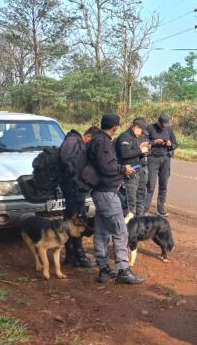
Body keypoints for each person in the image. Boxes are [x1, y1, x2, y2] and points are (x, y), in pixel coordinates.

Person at [88, 113, 146, 285]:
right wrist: (123, 170)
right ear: (115, 127)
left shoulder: (95, 139)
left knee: (102, 231)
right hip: (107, 192)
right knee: (120, 231)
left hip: (98, 191)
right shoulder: (104, 141)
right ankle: (123, 270)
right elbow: (107, 167)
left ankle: (104, 269)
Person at [59, 126, 99, 267]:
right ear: (87, 137)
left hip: (73, 188)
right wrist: (81, 177)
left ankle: (71, 255)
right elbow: (68, 164)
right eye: (92, 142)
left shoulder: (73, 141)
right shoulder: (73, 142)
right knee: (77, 221)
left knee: (71, 220)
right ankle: (79, 256)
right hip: (74, 189)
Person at [115, 118, 151, 217]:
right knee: (130, 201)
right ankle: (129, 225)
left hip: (139, 170)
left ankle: (140, 221)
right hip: (129, 173)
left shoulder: (137, 137)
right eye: (141, 131)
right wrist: (140, 150)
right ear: (135, 127)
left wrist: (144, 152)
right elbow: (125, 154)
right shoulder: (124, 137)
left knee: (141, 197)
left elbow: (135, 153)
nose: (142, 134)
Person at [146, 113, 177, 217]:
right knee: (150, 185)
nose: (164, 126)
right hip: (153, 159)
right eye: (162, 124)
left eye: (166, 124)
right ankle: (145, 210)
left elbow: (175, 144)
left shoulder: (169, 129)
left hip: (165, 158)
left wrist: (170, 144)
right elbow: (144, 142)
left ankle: (160, 209)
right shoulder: (150, 128)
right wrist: (154, 142)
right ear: (158, 122)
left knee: (163, 185)